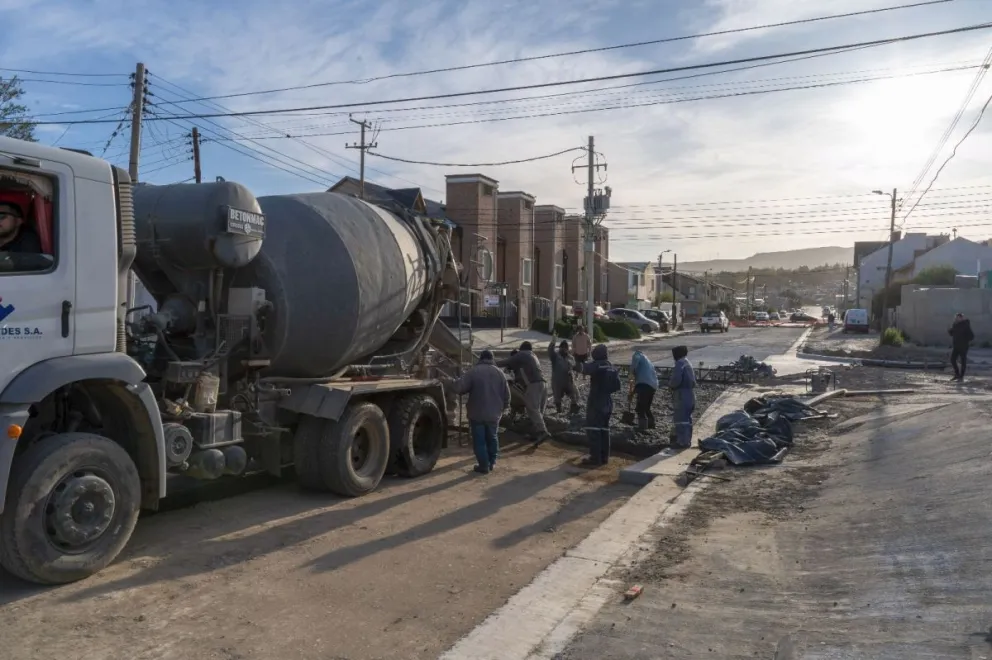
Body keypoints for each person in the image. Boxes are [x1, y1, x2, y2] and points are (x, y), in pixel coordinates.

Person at [444, 350, 511, 474]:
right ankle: (492, 463)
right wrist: (504, 408)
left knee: (479, 441)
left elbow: (459, 388)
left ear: (481, 358)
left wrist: (448, 381)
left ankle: (483, 465)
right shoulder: (500, 373)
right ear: (492, 359)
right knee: (492, 438)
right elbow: (507, 395)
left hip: (477, 413)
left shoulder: (474, 372)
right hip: (494, 414)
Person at [574, 344, 622, 467]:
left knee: (593, 429)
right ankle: (604, 457)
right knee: (604, 430)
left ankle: (595, 458)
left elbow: (582, 368)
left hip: (596, 402)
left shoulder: (597, 365)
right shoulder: (610, 365)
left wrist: (573, 360)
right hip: (608, 402)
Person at [498, 341, 551, 444]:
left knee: (532, 409)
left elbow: (506, 362)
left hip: (533, 385)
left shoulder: (522, 354)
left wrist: (490, 363)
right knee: (538, 412)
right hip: (543, 384)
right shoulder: (533, 356)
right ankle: (535, 433)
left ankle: (543, 432)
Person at [669, 345, 697, 448]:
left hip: (682, 395)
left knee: (681, 419)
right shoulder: (687, 362)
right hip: (690, 394)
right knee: (687, 419)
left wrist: (670, 385)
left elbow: (676, 380)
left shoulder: (679, 363)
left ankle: (682, 442)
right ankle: (687, 440)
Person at [547, 337, 581, 415]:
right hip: (557, 381)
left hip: (568, 380)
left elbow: (574, 366)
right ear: (560, 348)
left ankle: (573, 406)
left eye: (566, 348)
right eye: (563, 347)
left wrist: (574, 372)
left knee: (573, 394)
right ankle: (559, 409)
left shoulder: (570, 357)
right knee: (557, 397)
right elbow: (550, 351)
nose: (564, 349)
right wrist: (553, 342)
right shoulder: (555, 356)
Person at [630, 349, 659, 431]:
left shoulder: (637, 355)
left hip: (645, 384)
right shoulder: (647, 361)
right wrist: (633, 392)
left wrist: (631, 372)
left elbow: (634, 366)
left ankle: (642, 427)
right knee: (646, 407)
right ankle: (651, 424)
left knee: (640, 407)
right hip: (653, 385)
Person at [948, 312, 975, 382]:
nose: (957, 319)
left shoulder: (965, 325)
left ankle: (961, 376)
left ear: (962, 318)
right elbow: (952, 333)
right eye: (956, 317)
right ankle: (957, 374)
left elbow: (971, 336)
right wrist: (950, 331)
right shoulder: (955, 325)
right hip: (956, 346)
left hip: (963, 346)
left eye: (959, 317)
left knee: (963, 361)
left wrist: (965, 339)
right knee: (952, 359)